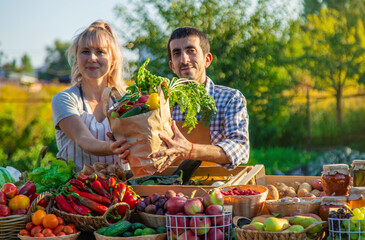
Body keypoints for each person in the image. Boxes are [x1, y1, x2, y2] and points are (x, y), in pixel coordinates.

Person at [151, 26, 249, 174]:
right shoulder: (161, 103)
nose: (184, 59)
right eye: (177, 53)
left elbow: (239, 148)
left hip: (216, 189)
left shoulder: (230, 98)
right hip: (169, 189)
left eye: (191, 51)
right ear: (172, 65)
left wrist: (190, 150)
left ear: (207, 60)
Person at [51, 21, 131, 172]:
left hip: (122, 191)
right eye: (85, 51)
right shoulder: (64, 99)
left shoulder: (127, 101)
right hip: (74, 191)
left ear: (113, 60)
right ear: (76, 58)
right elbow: (83, 140)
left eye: (100, 52)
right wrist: (114, 147)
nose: (92, 58)